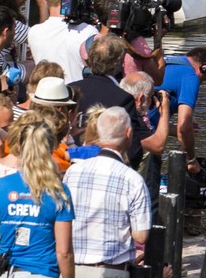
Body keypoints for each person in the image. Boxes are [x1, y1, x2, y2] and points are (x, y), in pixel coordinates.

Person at [63, 107, 150, 278]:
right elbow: (141, 235)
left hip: (72, 268)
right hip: (111, 270)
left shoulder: (73, 172)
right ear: (129, 133)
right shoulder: (133, 179)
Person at [0, 115, 75, 278]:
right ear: (51, 148)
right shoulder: (58, 191)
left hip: (7, 272)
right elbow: (64, 252)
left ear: (20, 146)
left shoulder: (0, 186)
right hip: (42, 272)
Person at [160, 48, 206, 178]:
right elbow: (184, 128)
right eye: (204, 79)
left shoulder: (170, 62)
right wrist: (191, 160)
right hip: (145, 141)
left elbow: (148, 120)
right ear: (204, 68)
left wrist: (173, 130)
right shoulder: (191, 76)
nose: (201, 83)